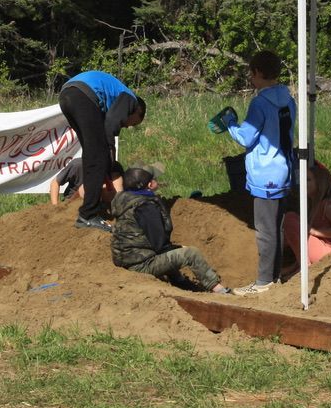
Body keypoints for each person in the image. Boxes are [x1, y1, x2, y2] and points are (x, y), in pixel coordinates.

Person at [218, 50, 296, 296]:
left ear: (259, 73)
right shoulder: (288, 99)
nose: (250, 78)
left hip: (265, 174)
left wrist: (230, 125)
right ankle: (275, 276)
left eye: (251, 74)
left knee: (265, 231)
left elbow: (246, 137)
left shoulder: (260, 103)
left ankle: (263, 282)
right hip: (284, 170)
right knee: (277, 227)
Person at [110, 166, 230, 294]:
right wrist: (179, 248)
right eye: (154, 179)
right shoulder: (145, 207)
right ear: (150, 185)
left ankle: (180, 282)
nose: (157, 180)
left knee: (170, 253)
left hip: (128, 260)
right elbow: (159, 244)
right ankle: (219, 290)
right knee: (191, 253)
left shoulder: (126, 202)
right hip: (141, 265)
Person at [58, 70, 146, 232]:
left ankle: (92, 206)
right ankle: (88, 215)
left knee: (91, 154)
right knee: (98, 156)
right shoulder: (131, 99)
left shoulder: (114, 98)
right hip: (83, 94)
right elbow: (111, 124)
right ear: (138, 111)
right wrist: (110, 155)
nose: (128, 126)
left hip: (67, 93)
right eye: (134, 123)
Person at [281, 164, 331, 274]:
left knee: (290, 218)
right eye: (303, 179)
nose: (303, 183)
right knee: (293, 218)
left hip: (326, 252)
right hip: (319, 248)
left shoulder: (327, 206)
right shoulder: (313, 204)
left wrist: (314, 232)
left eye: (308, 180)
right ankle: (297, 266)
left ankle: (303, 266)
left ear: (319, 183)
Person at [48, 158, 123, 206]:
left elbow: (120, 191)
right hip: (72, 202)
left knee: (116, 182)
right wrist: (55, 206)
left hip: (100, 202)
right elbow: (55, 183)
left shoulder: (115, 167)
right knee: (86, 187)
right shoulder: (78, 165)